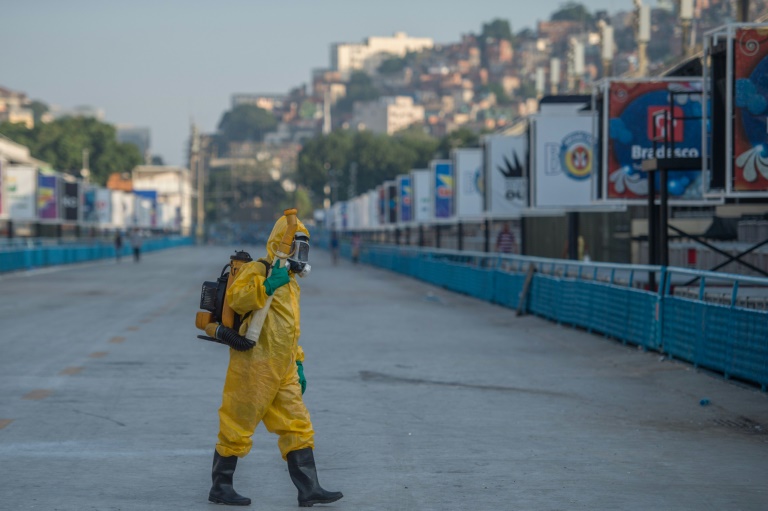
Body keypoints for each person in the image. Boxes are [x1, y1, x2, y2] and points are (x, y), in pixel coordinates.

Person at [209, 211, 342, 507]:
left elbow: (289, 328)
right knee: (237, 423)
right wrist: (267, 285)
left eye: (303, 249)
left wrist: (298, 361)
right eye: (296, 246)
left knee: (297, 425)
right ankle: (220, 486)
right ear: (281, 242)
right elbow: (237, 299)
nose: (300, 254)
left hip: (284, 368)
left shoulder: (292, 282)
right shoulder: (261, 269)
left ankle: (309, 489)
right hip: (254, 365)